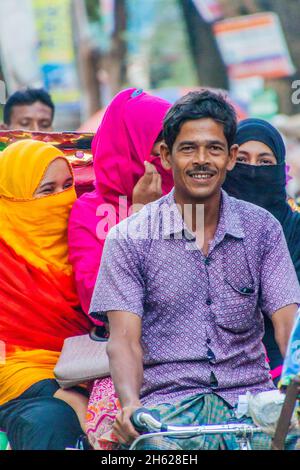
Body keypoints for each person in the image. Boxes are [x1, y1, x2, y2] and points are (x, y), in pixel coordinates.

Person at [89, 90, 300, 450]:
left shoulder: (263, 229)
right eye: (188, 149)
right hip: (167, 409)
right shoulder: (130, 237)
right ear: (166, 156)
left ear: (230, 158)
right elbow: (123, 341)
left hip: (251, 404)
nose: (202, 160)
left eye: (214, 149)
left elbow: (288, 323)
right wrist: (130, 406)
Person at [0, 140, 92, 450]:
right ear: (13, 199)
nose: (62, 200)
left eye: (68, 186)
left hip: (98, 371)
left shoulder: (89, 242)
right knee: (49, 422)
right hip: (20, 382)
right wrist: (54, 391)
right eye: (46, 191)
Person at [68, 88, 173, 316]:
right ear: (126, 144)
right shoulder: (89, 212)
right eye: (158, 138)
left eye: (173, 138)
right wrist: (142, 216)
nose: (167, 151)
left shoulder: (186, 196)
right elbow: (99, 297)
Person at [223, 118, 300, 385]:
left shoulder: (296, 228)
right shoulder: (205, 228)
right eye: (242, 160)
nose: (253, 171)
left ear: (279, 169)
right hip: (222, 369)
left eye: (265, 162)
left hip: (287, 363)